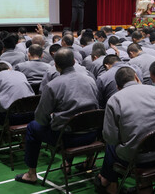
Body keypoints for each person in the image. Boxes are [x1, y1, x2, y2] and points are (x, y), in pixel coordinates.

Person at [15, 48, 99, 185]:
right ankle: (83, 162)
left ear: (56, 66)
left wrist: (53, 118)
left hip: (67, 138)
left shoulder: (53, 85)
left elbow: (41, 118)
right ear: (73, 62)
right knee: (74, 120)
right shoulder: (90, 80)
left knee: (32, 127)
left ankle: (31, 174)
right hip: (91, 134)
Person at [95, 66, 155, 193]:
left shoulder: (115, 99)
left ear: (118, 87)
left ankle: (109, 184)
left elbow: (110, 137)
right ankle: (142, 187)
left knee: (112, 146)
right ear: (137, 78)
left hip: (137, 159)